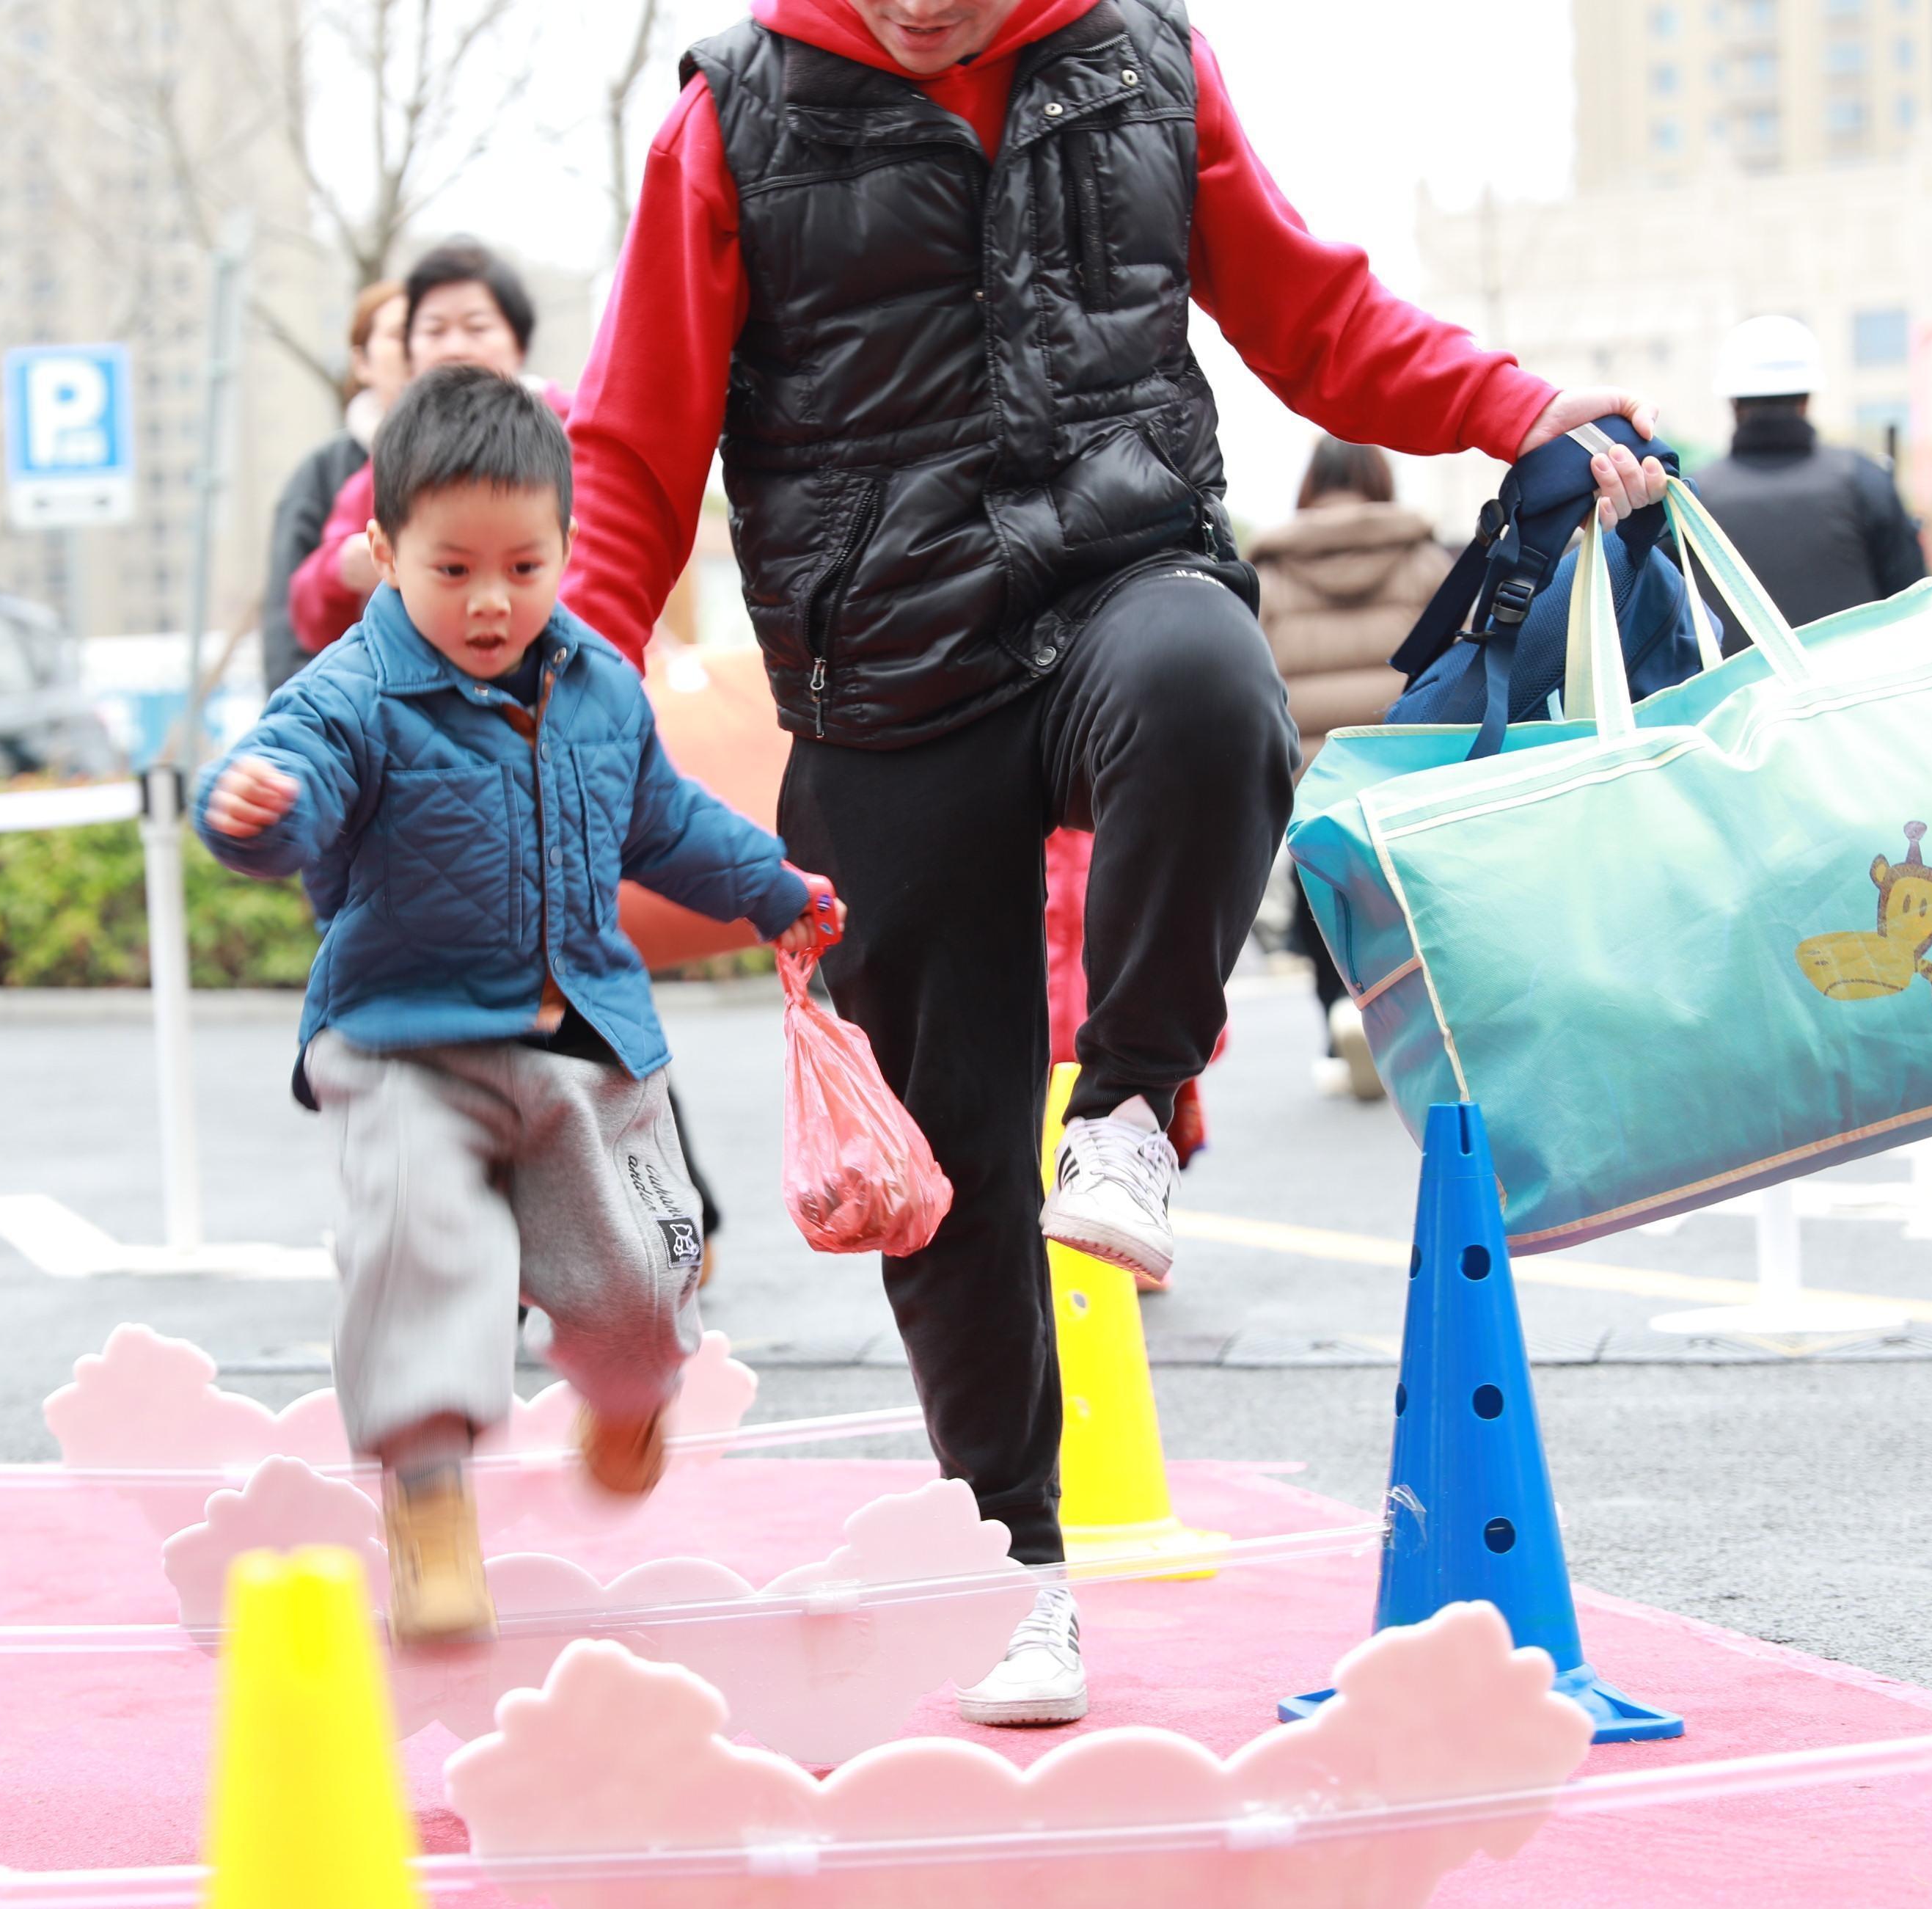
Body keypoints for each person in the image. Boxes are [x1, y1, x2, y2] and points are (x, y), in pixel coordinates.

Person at [562, 0, 1665, 1726]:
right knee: (949, 1167)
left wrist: (1514, 403)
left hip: (1115, 582)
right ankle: (1011, 1562)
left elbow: (1312, 313)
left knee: (1212, 690)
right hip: (884, 682)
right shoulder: (730, 119)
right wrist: (561, 705)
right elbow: (633, 445)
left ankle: (1135, 1105)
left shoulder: (1144, 61)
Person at [194, 367, 832, 1646]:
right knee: (419, 1251)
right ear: (385, 554)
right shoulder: (349, 695)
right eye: (451, 569)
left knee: (640, 1276)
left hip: (579, 1035)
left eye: (522, 565)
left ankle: (630, 1392)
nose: (489, 599)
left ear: (565, 546)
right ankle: (428, 1500)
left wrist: (772, 886)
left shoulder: (599, 686)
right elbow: (291, 776)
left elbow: (664, 823)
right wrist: (256, 808)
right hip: (404, 1040)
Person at [1254, 437, 1449, 1101]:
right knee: (1412, 904)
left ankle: (1343, 1015)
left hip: (1312, 778)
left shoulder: (1269, 577)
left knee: (1325, 897)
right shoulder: (1426, 564)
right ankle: (1421, 1036)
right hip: (1403, 769)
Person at [287, 238, 552, 654]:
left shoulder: (573, 438)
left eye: (477, 327)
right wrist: (342, 570)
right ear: (411, 351)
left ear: (519, 343)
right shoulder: (385, 467)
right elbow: (308, 617)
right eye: (434, 331)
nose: (454, 347)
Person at [1688, 315, 1925, 639]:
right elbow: (1916, 610)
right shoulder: (1865, 482)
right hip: (1855, 673)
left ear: (1733, 402)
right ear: (1806, 399)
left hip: (1731, 676)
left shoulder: (1691, 497)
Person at [261, 280, 409, 693]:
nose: (418, 348)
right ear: (361, 361)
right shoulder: (325, 473)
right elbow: (287, 628)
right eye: (399, 334)